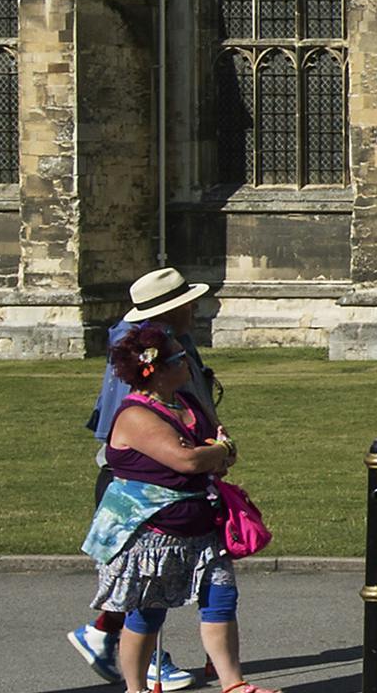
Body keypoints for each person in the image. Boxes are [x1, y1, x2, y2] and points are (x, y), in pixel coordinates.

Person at [78, 286, 263, 693]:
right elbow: (188, 460)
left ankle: (234, 685)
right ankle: (136, 688)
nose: (187, 362)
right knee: (147, 615)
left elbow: (216, 444)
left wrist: (218, 450)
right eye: (179, 359)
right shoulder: (137, 414)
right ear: (156, 370)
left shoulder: (184, 401)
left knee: (221, 600)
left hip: (200, 525)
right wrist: (215, 452)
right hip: (154, 535)